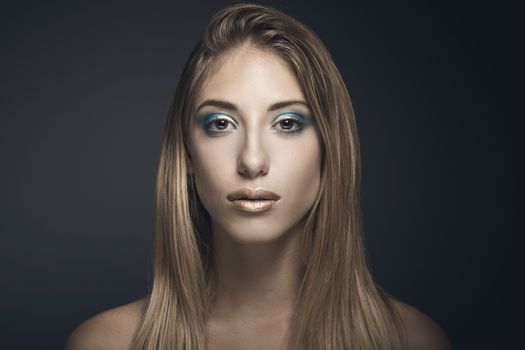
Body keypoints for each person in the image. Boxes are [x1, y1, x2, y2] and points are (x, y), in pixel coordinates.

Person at [65, 3, 450, 350]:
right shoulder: (105, 344)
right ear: (187, 154)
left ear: (330, 149)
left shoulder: (412, 341)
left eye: (287, 123)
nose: (252, 160)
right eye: (220, 123)